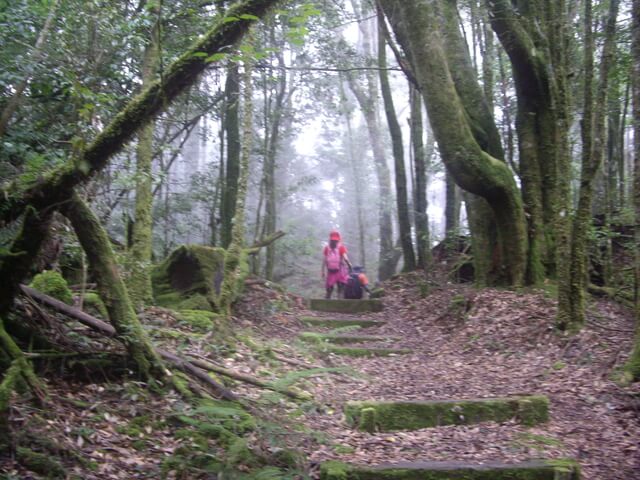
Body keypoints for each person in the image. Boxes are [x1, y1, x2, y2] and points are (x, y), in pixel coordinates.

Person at [321, 230, 352, 299]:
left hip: (330, 271)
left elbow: (324, 260)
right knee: (340, 289)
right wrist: (350, 266)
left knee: (329, 289)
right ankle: (340, 304)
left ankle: (326, 304)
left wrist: (322, 271)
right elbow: (346, 258)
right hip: (340, 270)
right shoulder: (341, 247)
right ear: (339, 239)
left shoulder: (327, 248)